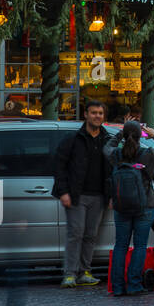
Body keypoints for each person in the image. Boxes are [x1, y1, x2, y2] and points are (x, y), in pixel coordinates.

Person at [103, 121, 154, 297]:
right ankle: (134, 285)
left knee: (121, 245)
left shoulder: (116, 155)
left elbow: (106, 147)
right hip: (145, 205)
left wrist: (120, 133)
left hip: (121, 206)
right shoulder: (148, 154)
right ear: (140, 136)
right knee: (140, 245)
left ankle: (118, 287)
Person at [52, 99, 112, 288]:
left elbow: (112, 169)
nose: (97, 116)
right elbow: (59, 167)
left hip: (99, 196)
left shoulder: (108, 140)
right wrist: (63, 192)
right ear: (85, 114)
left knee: (90, 235)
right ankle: (70, 273)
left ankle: (85, 271)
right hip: (77, 195)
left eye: (100, 113)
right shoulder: (72, 139)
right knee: (75, 234)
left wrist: (110, 196)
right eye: (93, 113)